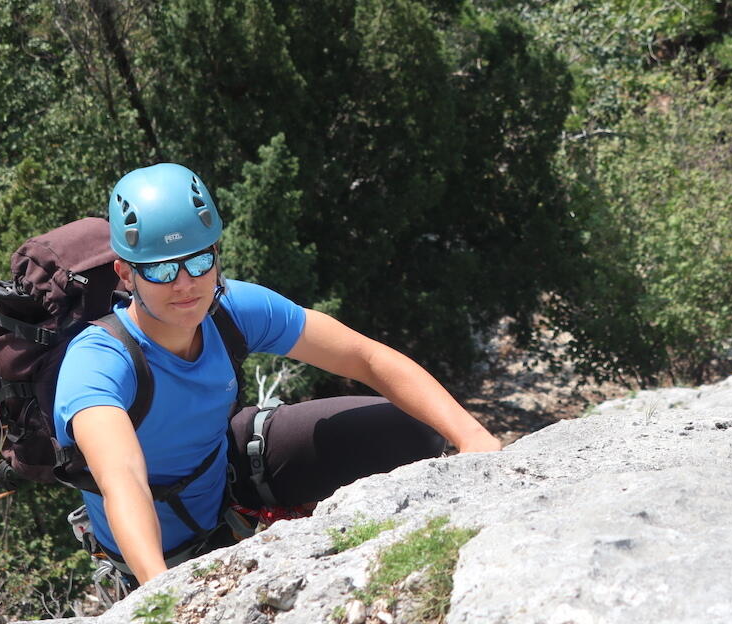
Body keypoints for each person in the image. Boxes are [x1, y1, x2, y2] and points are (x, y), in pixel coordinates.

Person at [53, 163, 501, 588]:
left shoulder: (231, 311)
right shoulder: (98, 363)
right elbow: (123, 479)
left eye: (198, 261)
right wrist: (160, 592)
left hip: (227, 478)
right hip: (158, 551)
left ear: (216, 254)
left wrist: (473, 438)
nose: (185, 283)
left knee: (413, 428)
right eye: (161, 269)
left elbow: (364, 357)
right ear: (126, 274)